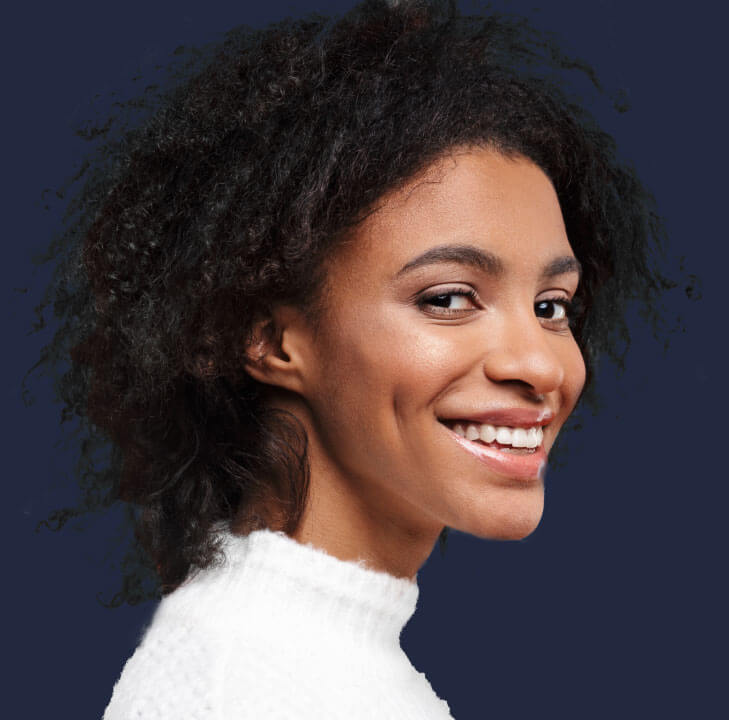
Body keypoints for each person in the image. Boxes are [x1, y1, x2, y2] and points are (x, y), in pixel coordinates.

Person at [31, 0, 676, 717]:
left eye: (551, 306)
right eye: (449, 297)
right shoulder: (241, 686)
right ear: (271, 341)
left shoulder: (320, 670)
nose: (542, 365)